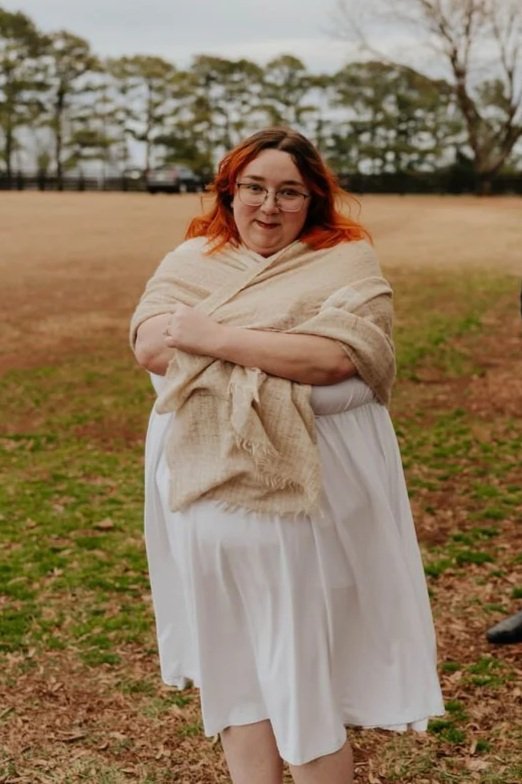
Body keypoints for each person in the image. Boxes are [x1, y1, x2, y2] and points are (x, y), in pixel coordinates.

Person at [130, 127, 444, 784]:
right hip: (197, 498)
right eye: (253, 188)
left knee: (300, 684)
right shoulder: (192, 259)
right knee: (233, 682)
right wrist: (276, 349)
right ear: (230, 190)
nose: (267, 207)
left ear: (313, 201)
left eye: (288, 192)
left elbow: (340, 358)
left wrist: (213, 336)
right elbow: (153, 346)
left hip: (295, 509)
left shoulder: (346, 263)